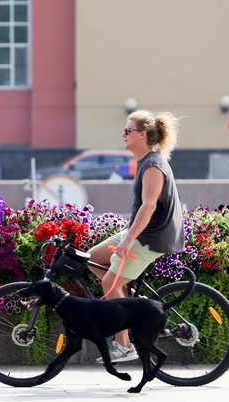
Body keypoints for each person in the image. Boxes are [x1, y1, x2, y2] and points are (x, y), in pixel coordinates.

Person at [87, 110, 186, 363]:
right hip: (142, 232)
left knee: (108, 283)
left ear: (142, 135)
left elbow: (149, 206)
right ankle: (126, 299)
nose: (123, 134)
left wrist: (128, 239)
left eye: (128, 130)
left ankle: (124, 346)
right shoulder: (145, 161)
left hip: (152, 238)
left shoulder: (153, 165)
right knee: (90, 259)